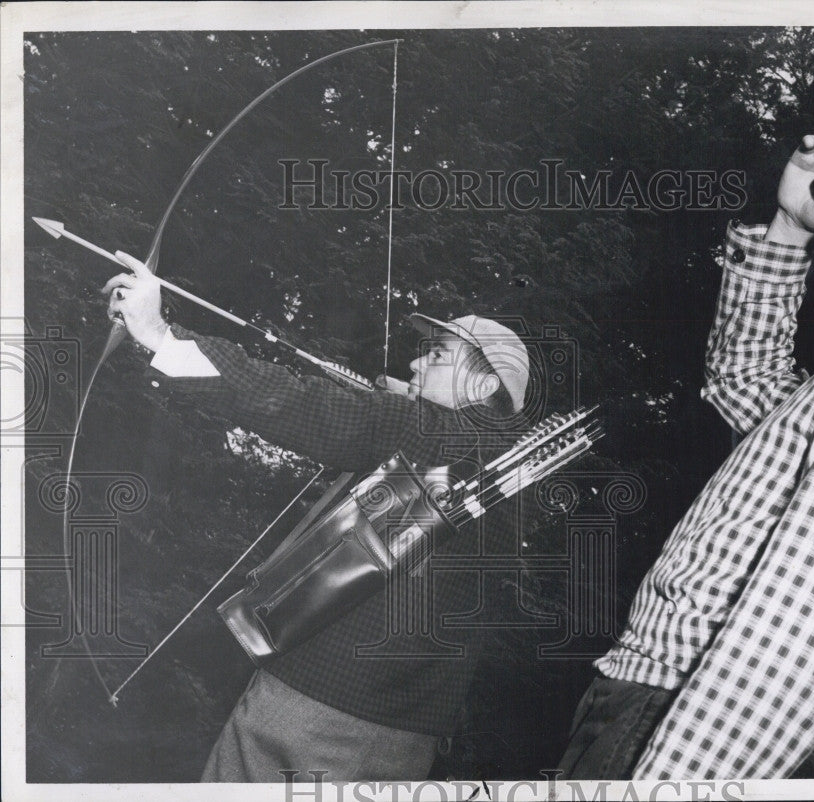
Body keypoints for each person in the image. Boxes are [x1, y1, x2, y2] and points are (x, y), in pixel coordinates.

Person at [557, 105, 814, 779]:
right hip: (656, 707)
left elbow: (793, 640)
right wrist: (789, 228)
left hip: (694, 725)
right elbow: (743, 383)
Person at [103, 258, 540, 781]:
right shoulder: (520, 479)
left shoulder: (418, 428)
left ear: (483, 384)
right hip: (409, 737)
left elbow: (284, 400)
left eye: (438, 355)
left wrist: (158, 335)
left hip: (310, 714)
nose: (417, 365)